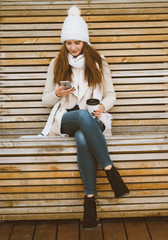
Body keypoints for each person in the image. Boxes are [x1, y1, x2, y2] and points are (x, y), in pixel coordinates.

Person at [40, 5, 129, 229]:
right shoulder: (56, 63)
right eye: (68, 43)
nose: (72, 47)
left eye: (77, 42)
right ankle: (109, 169)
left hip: (92, 120)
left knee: (82, 138)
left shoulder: (99, 62)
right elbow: (46, 101)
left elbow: (110, 96)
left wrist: (102, 106)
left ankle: (89, 202)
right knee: (79, 116)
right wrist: (57, 94)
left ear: (85, 42)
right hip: (66, 120)